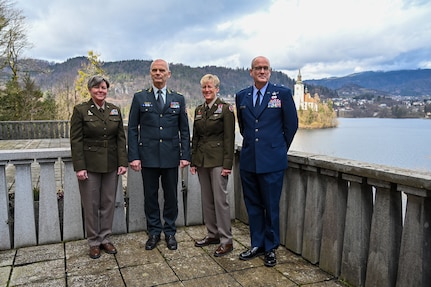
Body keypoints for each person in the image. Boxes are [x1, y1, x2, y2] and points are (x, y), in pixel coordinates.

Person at [235, 56, 298, 267]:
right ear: (251, 72)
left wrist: (278, 149)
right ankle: (257, 244)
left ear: (270, 71)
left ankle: (270, 248)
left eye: (265, 68)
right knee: (253, 205)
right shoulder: (241, 96)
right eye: (258, 68)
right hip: (249, 161)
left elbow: (291, 126)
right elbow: (244, 128)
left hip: (272, 162)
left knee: (271, 207)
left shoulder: (282, 94)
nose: (262, 71)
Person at [128, 59, 191, 251]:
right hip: (148, 157)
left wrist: (185, 154)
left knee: (172, 196)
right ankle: (154, 231)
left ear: (168, 74)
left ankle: (170, 232)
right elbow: (132, 129)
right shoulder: (140, 98)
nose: (158, 73)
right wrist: (134, 156)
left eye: (161, 70)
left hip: (171, 156)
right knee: (150, 196)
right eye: (154, 70)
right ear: (150, 73)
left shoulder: (178, 99)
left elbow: (184, 130)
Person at [70, 75, 128, 259]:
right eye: (96, 88)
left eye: (103, 88)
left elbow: (120, 138)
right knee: (91, 204)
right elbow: (76, 141)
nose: (100, 91)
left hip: (111, 164)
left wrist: (122, 162)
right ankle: (94, 241)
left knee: (108, 203)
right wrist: (80, 167)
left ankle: (105, 238)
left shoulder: (114, 110)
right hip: (90, 165)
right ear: (90, 90)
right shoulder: (80, 110)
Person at [190, 74, 235, 257]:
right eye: (204, 88)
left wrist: (228, 165)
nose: (207, 90)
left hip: (218, 162)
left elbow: (229, 139)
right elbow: (196, 138)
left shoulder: (226, 109)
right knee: (207, 200)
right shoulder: (199, 110)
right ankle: (212, 234)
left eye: (210, 87)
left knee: (220, 201)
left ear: (217, 89)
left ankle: (227, 240)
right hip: (202, 161)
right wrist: (193, 161)